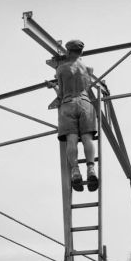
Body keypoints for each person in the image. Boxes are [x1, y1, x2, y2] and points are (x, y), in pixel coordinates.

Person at [49, 39, 98, 193]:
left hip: (68, 103)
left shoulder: (62, 69)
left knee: (71, 140)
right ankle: (91, 169)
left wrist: (54, 87)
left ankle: (75, 171)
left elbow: (62, 93)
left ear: (69, 52)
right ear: (81, 52)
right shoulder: (88, 69)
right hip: (85, 103)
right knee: (87, 139)